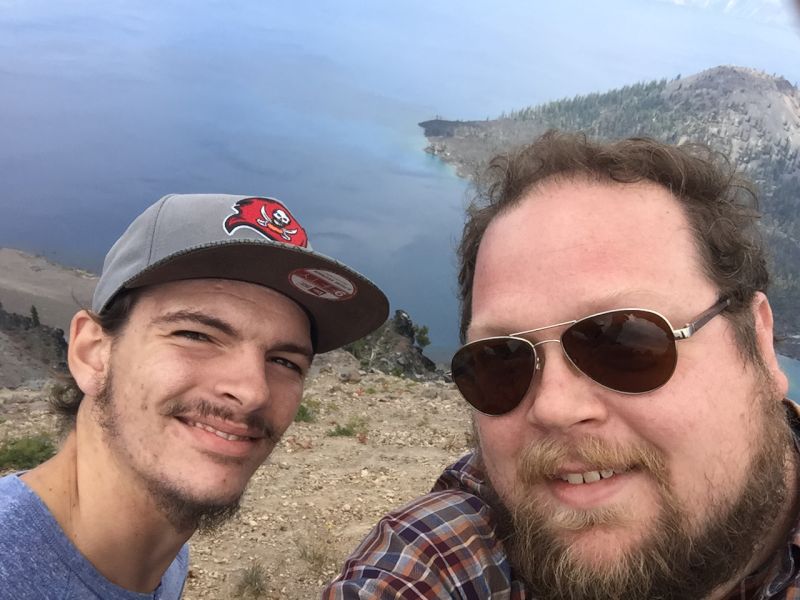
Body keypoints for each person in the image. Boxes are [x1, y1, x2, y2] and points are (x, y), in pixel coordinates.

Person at [323, 132, 798, 599]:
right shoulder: (443, 559)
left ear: (757, 342)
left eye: (625, 345)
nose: (552, 407)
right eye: (499, 361)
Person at [0, 193, 388, 599]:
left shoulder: (166, 555)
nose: (253, 391)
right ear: (92, 352)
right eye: (196, 335)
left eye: (285, 361)